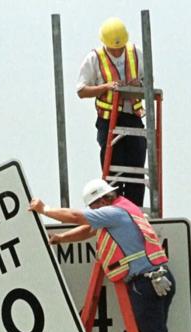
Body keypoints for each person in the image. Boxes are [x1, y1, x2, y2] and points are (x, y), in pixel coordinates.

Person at [29, 179, 175, 332]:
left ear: (103, 200)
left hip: (146, 283)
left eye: (94, 207)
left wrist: (44, 209)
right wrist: (61, 239)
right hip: (157, 279)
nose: (94, 212)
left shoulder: (113, 213)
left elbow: (78, 218)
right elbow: (87, 229)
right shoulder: (124, 209)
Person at [77, 17, 147, 207]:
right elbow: (81, 90)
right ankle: (115, 209)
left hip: (133, 118)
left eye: (120, 48)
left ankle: (133, 210)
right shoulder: (95, 58)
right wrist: (106, 87)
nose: (117, 51)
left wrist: (137, 86)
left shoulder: (136, 53)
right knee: (113, 172)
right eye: (113, 48)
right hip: (108, 122)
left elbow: (148, 83)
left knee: (136, 171)